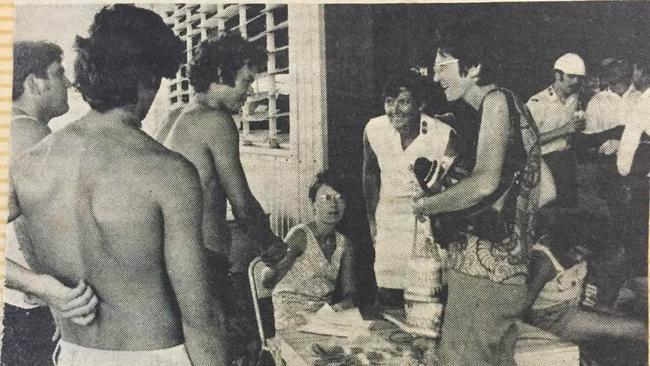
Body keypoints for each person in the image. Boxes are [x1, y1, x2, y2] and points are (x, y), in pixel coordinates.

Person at [8, 5, 227, 365]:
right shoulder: (167, 172)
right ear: (148, 79)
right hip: (156, 355)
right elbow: (201, 320)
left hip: (75, 354)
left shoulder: (31, 164)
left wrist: (40, 287)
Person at [413, 23, 542, 365]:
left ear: (473, 68)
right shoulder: (513, 109)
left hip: (482, 276)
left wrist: (428, 204)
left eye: (443, 64)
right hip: (506, 276)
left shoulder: (496, 101)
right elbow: (547, 189)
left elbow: (484, 182)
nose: (436, 76)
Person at [3, 41, 98, 366]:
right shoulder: (30, 137)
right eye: (59, 74)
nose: (69, 83)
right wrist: (45, 288)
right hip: (28, 315)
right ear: (34, 83)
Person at [362, 70, 454, 304]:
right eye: (389, 102)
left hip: (427, 223)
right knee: (388, 294)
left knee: (428, 294)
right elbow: (370, 173)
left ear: (420, 104)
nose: (394, 110)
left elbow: (453, 188)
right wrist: (372, 219)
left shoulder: (443, 136)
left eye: (403, 102)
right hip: (389, 220)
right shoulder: (374, 129)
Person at [524, 214, 647, 361]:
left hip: (575, 306)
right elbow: (524, 305)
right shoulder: (543, 262)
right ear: (566, 240)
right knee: (639, 329)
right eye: (577, 252)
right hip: (552, 319)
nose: (578, 259)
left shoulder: (574, 248)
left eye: (584, 256)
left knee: (635, 322)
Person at [263, 171, 356, 329]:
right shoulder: (300, 236)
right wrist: (273, 263)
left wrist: (338, 308)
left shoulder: (345, 244)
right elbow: (268, 281)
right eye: (326, 198)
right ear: (313, 203)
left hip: (323, 318)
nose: (334, 204)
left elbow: (350, 293)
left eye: (340, 198)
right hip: (290, 317)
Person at [527, 53, 586, 211]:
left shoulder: (575, 100)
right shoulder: (537, 102)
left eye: (580, 78)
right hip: (544, 163)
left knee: (569, 212)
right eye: (571, 76)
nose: (576, 82)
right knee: (548, 213)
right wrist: (563, 130)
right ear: (557, 75)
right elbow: (527, 140)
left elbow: (574, 131)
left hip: (567, 162)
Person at [615, 56, 650, 278]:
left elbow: (634, 140)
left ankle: (639, 287)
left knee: (637, 230)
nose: (633, 74)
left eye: (636, 69)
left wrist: (626, 171)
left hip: (642, 174)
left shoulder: (647, 100)